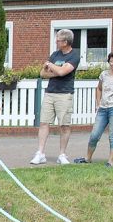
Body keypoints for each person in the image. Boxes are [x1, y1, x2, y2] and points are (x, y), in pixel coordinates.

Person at [32, 29, 80, 165]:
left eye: (58, 40)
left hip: (65, 94)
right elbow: (43, 73)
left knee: (64, 125)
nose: (56, 41)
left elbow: (62, 71)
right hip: (50, 92)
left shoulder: (74, 56)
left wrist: (51, 66)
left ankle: (62, 154)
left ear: (65, 42)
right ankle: (40, 153)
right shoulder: (55, 54)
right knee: (44, 123)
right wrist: (56, 72)